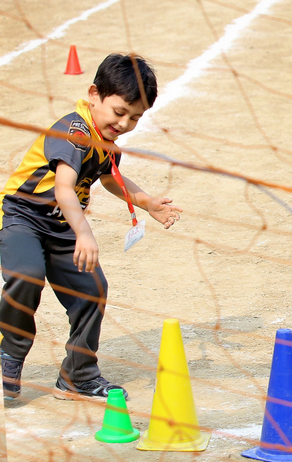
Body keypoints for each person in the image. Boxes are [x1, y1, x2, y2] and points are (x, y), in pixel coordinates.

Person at [0, 55, 182, 401]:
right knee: (26, 274)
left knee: (92, 289)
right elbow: (63, 187)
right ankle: (10, 348)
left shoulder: (104, 141)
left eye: (135, 117)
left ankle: (77, 375)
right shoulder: (73, 132)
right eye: (119, 112)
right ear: (94, 94)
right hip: (22, 217)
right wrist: (83, 232)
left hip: (60, 224)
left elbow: (110, 177)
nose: (125, 123)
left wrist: (147, 202)